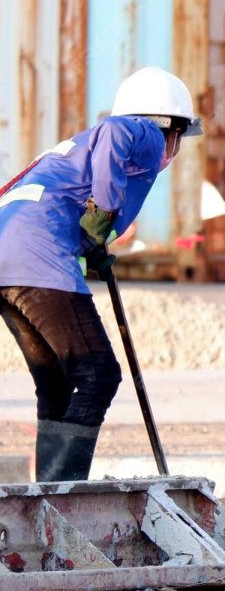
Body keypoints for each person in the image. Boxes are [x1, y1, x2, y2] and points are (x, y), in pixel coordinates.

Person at [0, 67, 201, 481]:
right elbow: (117, 130)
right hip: (37, 258)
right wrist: (104, 213)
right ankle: (63, 499)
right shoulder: (144, 133)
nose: (174, 151)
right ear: (171, 129)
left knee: (55, 384)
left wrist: (91, 243)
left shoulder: (69, 149)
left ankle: (47, 502)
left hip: (8, 261)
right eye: (179, 138)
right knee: (98, 375)